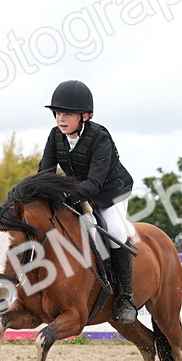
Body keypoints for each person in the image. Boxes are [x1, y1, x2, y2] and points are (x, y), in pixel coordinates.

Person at [37, 80, 138, 323]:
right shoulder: (55, 136)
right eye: (57, 113)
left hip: (110, 191)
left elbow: (95, 183)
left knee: (114, 230)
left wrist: (64, 195)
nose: (61, 119)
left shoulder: (100, 137)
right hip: (78, 190)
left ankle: (126, 296)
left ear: (85, 116)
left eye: (67, 114)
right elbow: (45, 173)